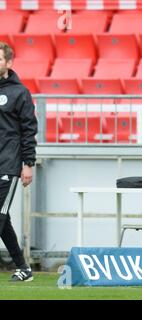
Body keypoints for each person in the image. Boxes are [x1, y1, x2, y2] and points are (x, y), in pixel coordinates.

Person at [0, 42, 37, 281]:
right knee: (3, 218)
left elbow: (28, 129)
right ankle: (24, 268)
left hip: (8, 164)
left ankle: (24, 268)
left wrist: (28, 163)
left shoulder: (19, 93)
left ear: (9, 63)